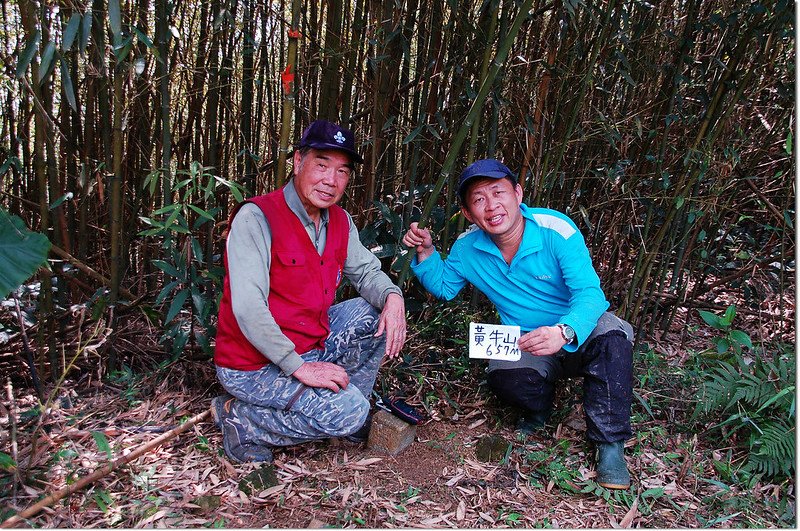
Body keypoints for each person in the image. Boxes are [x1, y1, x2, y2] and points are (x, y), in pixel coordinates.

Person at [401, 159, 634, 489]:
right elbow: (445, 287)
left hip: (578, 325)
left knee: (613, 337)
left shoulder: (556, 230)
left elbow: (590, 294)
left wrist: (563, 331)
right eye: (479, 199)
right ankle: (539, 408)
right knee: (506, 379)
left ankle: (610, 446)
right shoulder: (468, 249)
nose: (492, 205)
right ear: (468, 213)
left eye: (498, 192)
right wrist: (425, 252)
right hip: (526, 338)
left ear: (518, 194)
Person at [212, 120, 407, 464]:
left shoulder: (340, 221)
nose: (331, 181)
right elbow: (247, 308)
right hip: (253, 365)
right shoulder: (257, 218)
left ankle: (344, 409)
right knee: (349, 414)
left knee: (376, 311)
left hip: (311, 346)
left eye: (342, 171)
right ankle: (241, 420)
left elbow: (366, 272)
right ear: (298, 161)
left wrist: (393, 298)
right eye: (321, 165)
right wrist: (298, 368)